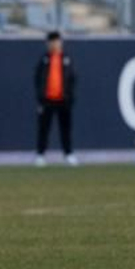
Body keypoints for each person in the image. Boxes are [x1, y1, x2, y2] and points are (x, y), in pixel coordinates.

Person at [34, 31, 79, 167]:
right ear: (48, 43)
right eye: (52, 41)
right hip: (47, 100)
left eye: (57, 41)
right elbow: (37, 79)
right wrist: (40, 97)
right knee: (44, 129)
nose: (55, 44)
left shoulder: (66, 59)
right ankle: (40, 155)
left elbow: (72, 79)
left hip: (63, 100)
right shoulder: (44, 60)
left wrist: (70, 97)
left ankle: (68, 154)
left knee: (65, 129)